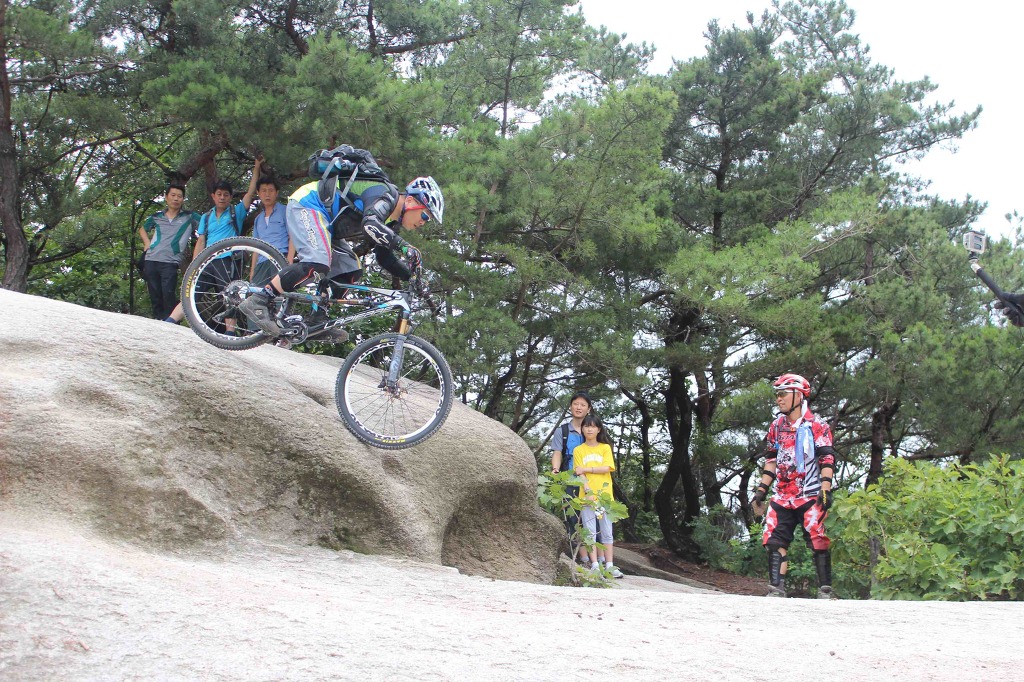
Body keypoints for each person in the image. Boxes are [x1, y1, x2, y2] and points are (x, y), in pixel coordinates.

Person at [238, 154, 443, 342]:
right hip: (309, 204)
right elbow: (370, 224)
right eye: (425, 215)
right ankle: (260, 299)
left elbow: (384, 257)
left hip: (327, 223)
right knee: (318, 261)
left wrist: (411, 277)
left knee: (351, 268)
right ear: (410, 200)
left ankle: (317, 320)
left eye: (428, 219)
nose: (424, 222)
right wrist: (405, 247)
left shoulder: (392, 221)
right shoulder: (384, 194)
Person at [751, 373, 837, 599]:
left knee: (818, 540)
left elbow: (826, 458)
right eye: (777, 395)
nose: (778, 399)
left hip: (809, 494)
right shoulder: (776, 426)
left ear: (798, 395)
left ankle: (825, 590)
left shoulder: (817, 425)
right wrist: (761, 490)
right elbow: (771, 459)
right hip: (781, 496)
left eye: (783, 394)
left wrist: (825, 488)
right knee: (774, 541)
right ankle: (776, 589)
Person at [192, 164, 259, 333]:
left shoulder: (236, 212)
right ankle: (172, 320)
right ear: (213, 196)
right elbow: (201, 241)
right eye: (219, 194)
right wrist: (194, 266)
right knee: (191, 292)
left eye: (226, 195)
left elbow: (250, 193)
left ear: (230, 197)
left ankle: (230, 331)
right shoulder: (206, 216)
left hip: (227, 259)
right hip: (207, 261)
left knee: (230, 295)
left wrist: (257, 167)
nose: (222, 197)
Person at [550, 392, 604, 566]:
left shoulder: (594, 428)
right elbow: (557, 452)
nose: (579, 407)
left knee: (596, 518)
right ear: (570, 406)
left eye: (583, 405)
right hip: (571, 480)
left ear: (589, 409)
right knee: (573, 518)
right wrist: (556, 469)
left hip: (593, 481)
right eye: (576, 404)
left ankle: (601, 560)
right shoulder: (563, 431)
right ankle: (582, 560)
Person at [137, 183, 199, 321]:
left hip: (171, 261)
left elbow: (207, 224)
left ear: (183, 199)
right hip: (151, 258)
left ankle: (171, 323)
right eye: (173, 195)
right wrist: (147, 243)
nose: (176, 199)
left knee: (168, 294)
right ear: (166, 197)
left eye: (179, 196)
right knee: (155, 295)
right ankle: (158, 323)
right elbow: (142, 229)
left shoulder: (190, 216)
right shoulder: (157, 216)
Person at [572, 414, 623, 578]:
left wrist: (587, 469)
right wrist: (588, 490)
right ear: (582, 429)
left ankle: (610, 566)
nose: (589, 429)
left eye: (593, 426)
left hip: (604, 497)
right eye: (586, 426)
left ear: (598, 429)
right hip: (587, 497)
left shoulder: (605, 448)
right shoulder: (578, 450)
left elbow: (607, 467)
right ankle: (594, 565)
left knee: (607, 531)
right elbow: (578, 473)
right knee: (590, 532)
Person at [249, 165, 294, 288]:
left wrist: (289, 261)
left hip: (279, 258)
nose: (267, 194)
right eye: (264, 191)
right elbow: (255, 246)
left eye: (271, 190)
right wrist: (252, 271)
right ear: (258, 193)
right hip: (261, 262)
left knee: (280, 295)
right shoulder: (258, 219)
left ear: (277, 192)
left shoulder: (285, 211)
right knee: (256, 295)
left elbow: (293, 236)